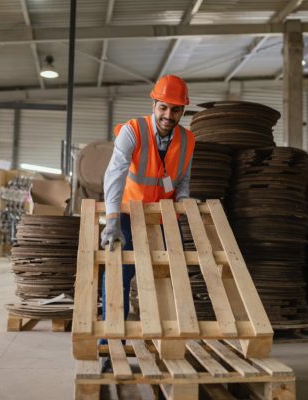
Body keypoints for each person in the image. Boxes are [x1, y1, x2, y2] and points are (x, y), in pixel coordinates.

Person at [99, 75, 195, 370]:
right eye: (164, 108)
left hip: (164, 216)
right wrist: (112, 218)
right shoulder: (133, 131)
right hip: (129, 214)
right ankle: (110, 348)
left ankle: (167, 346)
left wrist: (183, 198)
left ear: (182, 111)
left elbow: (183, 179)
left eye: (176, 110)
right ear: (154, 104)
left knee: (167, 277)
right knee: (119, 275)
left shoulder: (187, 140)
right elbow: (114, 173)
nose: (169, 116)